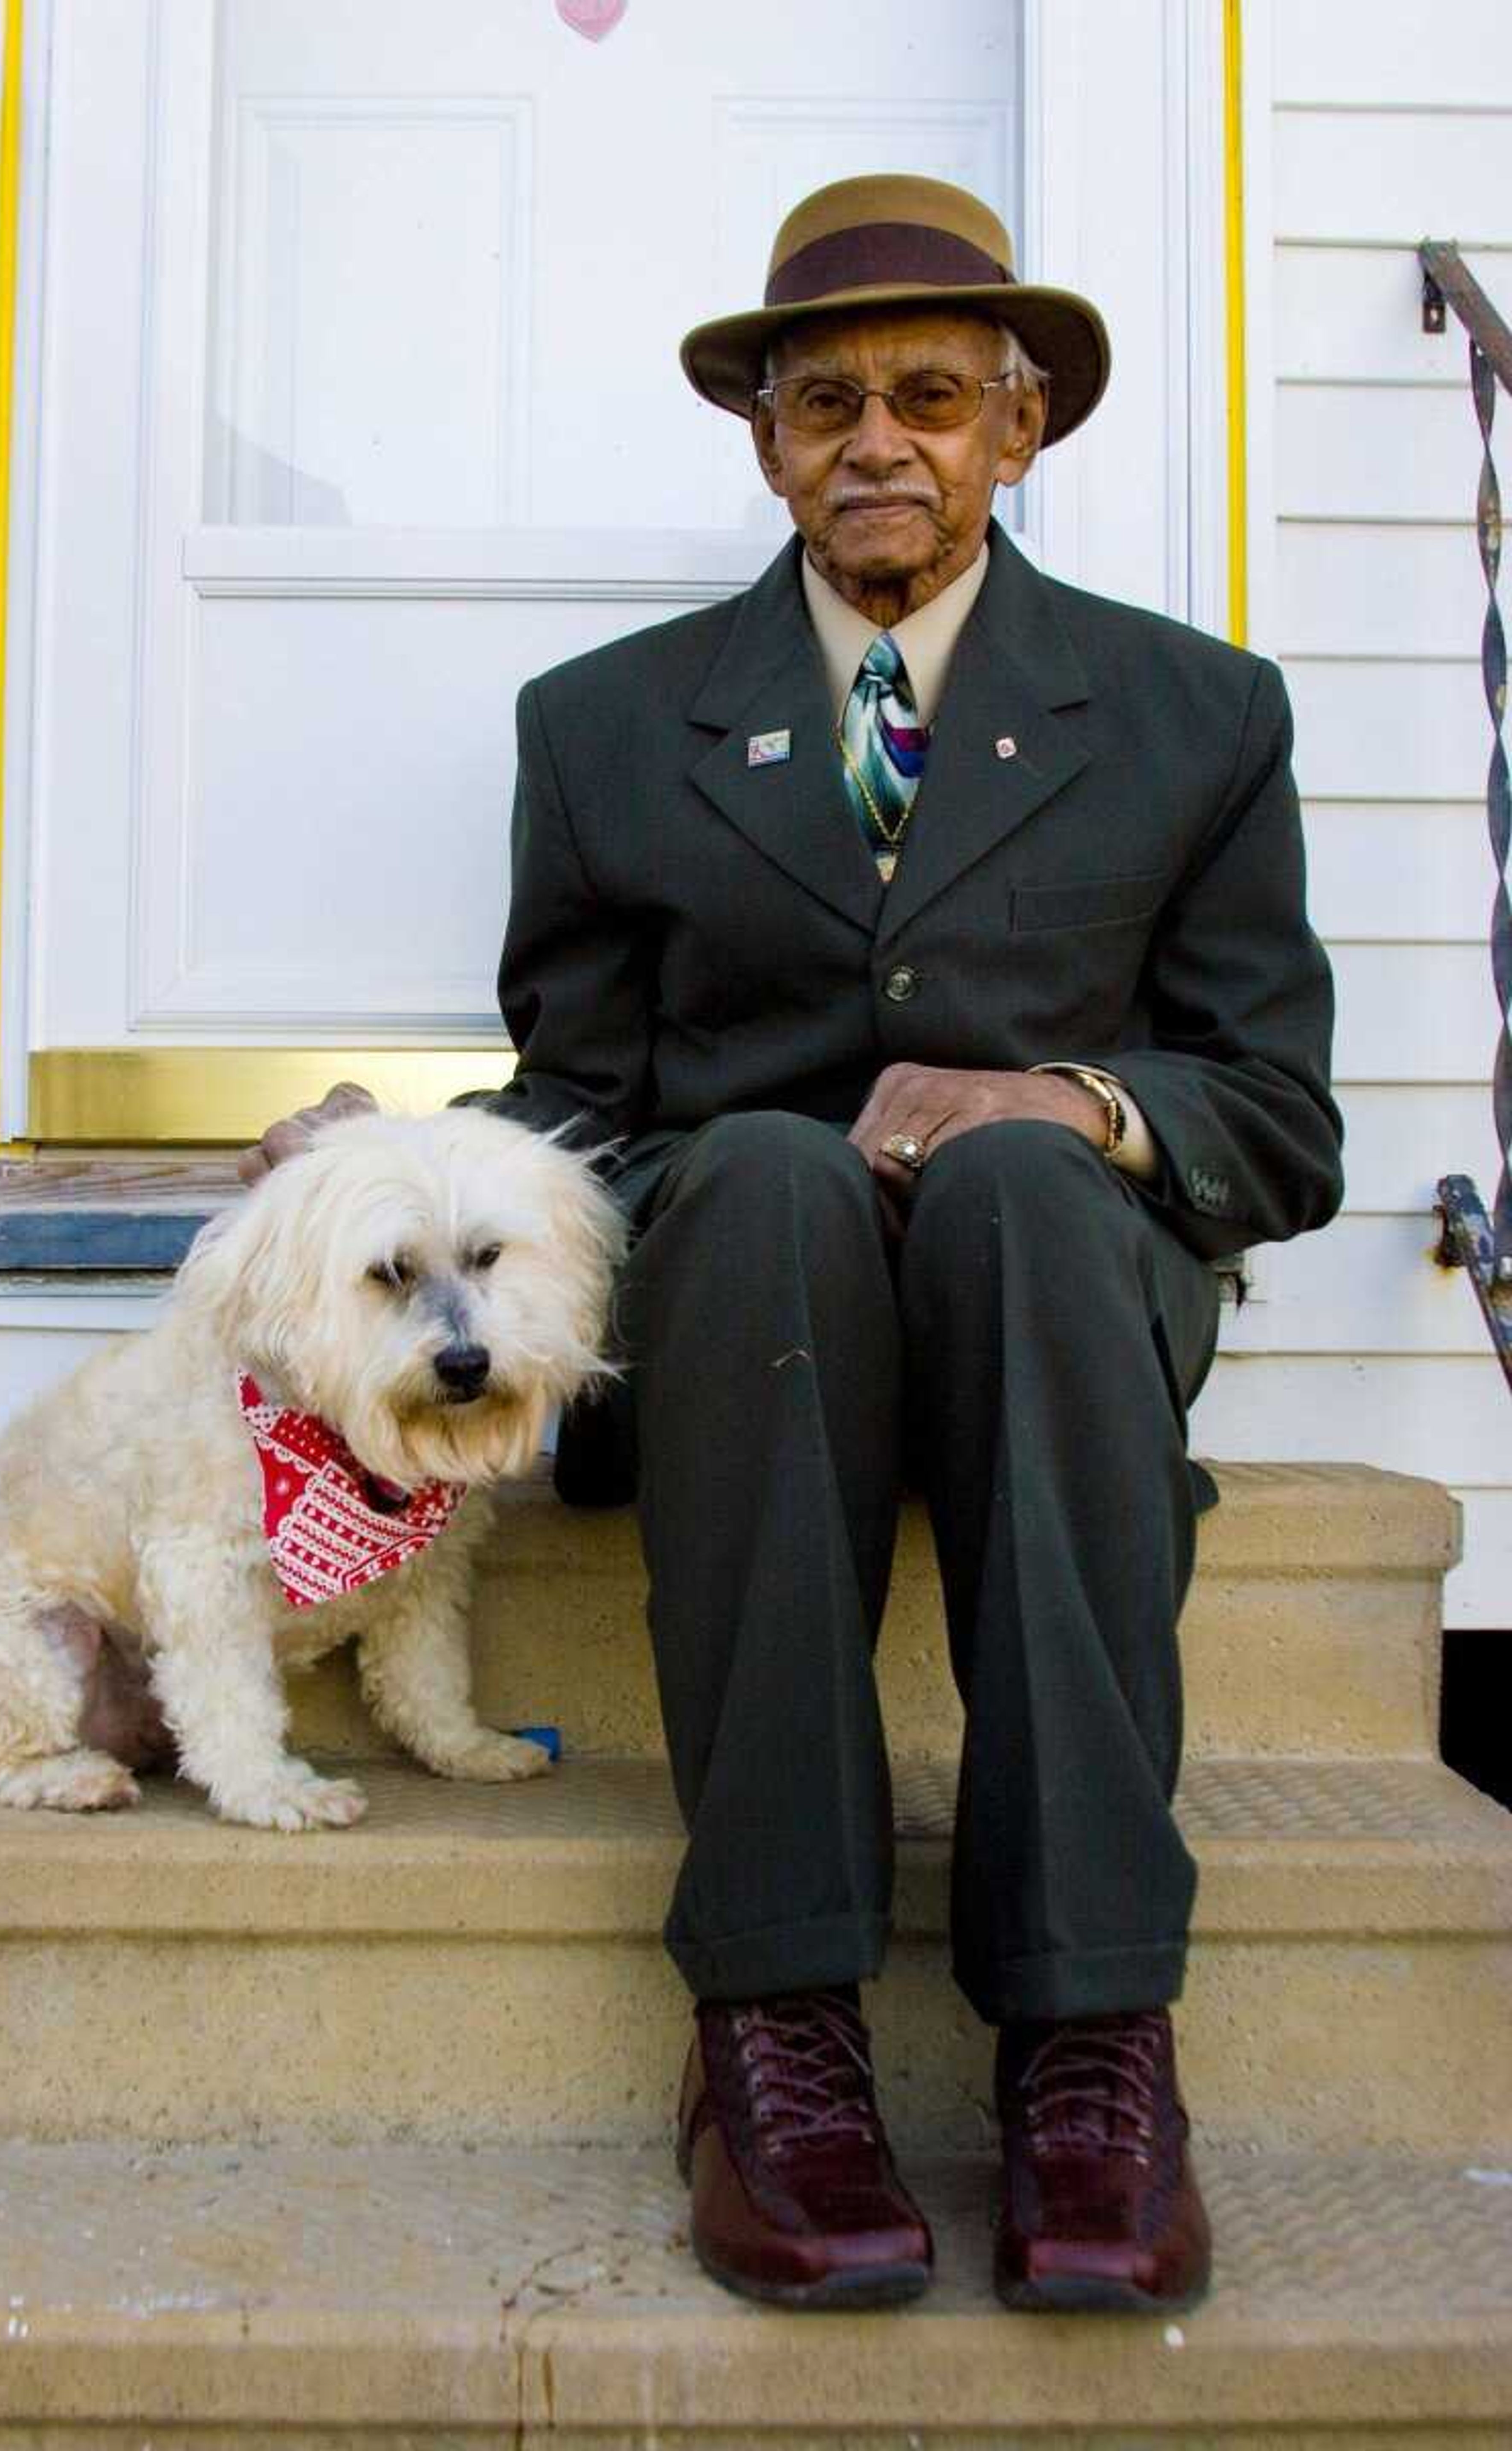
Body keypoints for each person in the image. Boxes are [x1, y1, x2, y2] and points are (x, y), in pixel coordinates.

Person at [246, 174, 1342, 2315]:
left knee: (1029, 1181)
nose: (878, 440)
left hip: (1054, 1303)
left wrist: (1078, 1102)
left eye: (933, 395)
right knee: (748, 1170)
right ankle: (776, 2031)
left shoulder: (1202, 715)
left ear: (1019, 433)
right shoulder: (601, 728)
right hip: (751, 1314)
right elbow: (579, 1115)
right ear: (764, 442)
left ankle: (1094, 2033)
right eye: (826, 397)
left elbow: (1279, 1119)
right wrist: (397, 1172)